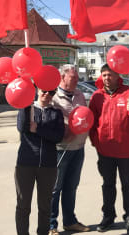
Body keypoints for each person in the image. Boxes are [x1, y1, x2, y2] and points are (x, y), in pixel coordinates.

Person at [89, 64, 129, 234]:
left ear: (117, 76)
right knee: (108, 184)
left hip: (125, 150)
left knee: (128, 184)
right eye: (104, 75)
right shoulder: (97, 96)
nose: (106, 78)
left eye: (110, 75)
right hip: (105, 150)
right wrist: (95, 142)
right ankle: (108, 216)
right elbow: (91, 122)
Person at [15, 88, 64, 235]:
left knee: (45, 206)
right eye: (44, 91)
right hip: (26, 164)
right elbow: (21, 127)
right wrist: (25, 106)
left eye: (51, 92)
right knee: (23, 205)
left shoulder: (56, 113)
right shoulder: (28, 108)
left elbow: (58, 136)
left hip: (48, 165)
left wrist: (39, 130)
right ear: (37, 90)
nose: (47, 95)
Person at [49, 65, 90, 235]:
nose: (76, 80)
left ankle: (70, 221)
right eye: (73, 77)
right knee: (55, 188)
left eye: (77, 77)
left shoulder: (80, 95)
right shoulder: (53, 98)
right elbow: (48, 122)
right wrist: (64, 132)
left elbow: (85, 116)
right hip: (60, 149)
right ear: (62, 77)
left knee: (71, 187)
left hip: (78, 148)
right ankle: (51, 224)